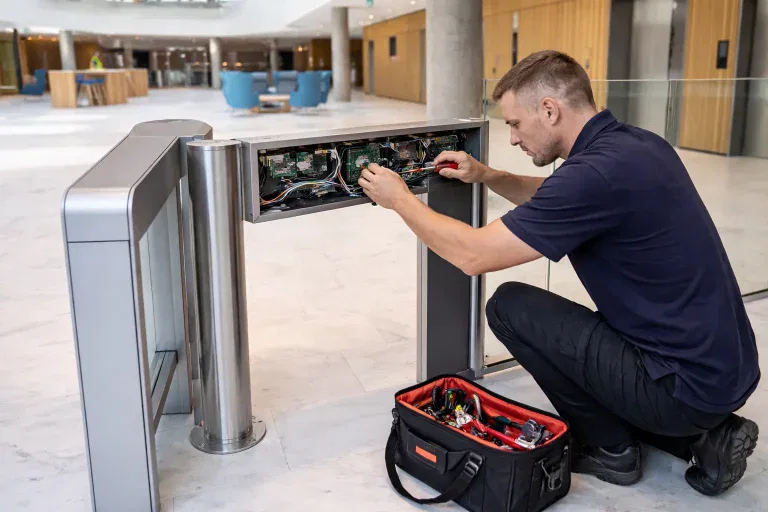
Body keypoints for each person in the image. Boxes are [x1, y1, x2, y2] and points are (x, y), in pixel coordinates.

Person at [358, 50, 760, 496]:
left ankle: (611, 449)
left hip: (680, 387)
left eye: (514, 123)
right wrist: (487, 175)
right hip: (724, 370)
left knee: (511, 306)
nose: (512, 137)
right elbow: (552, 196)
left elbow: (472, 255)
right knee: (593, 336)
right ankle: (704, 439)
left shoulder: (594, 175)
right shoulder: (636, 145)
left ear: (549, 110)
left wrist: (400, 199)